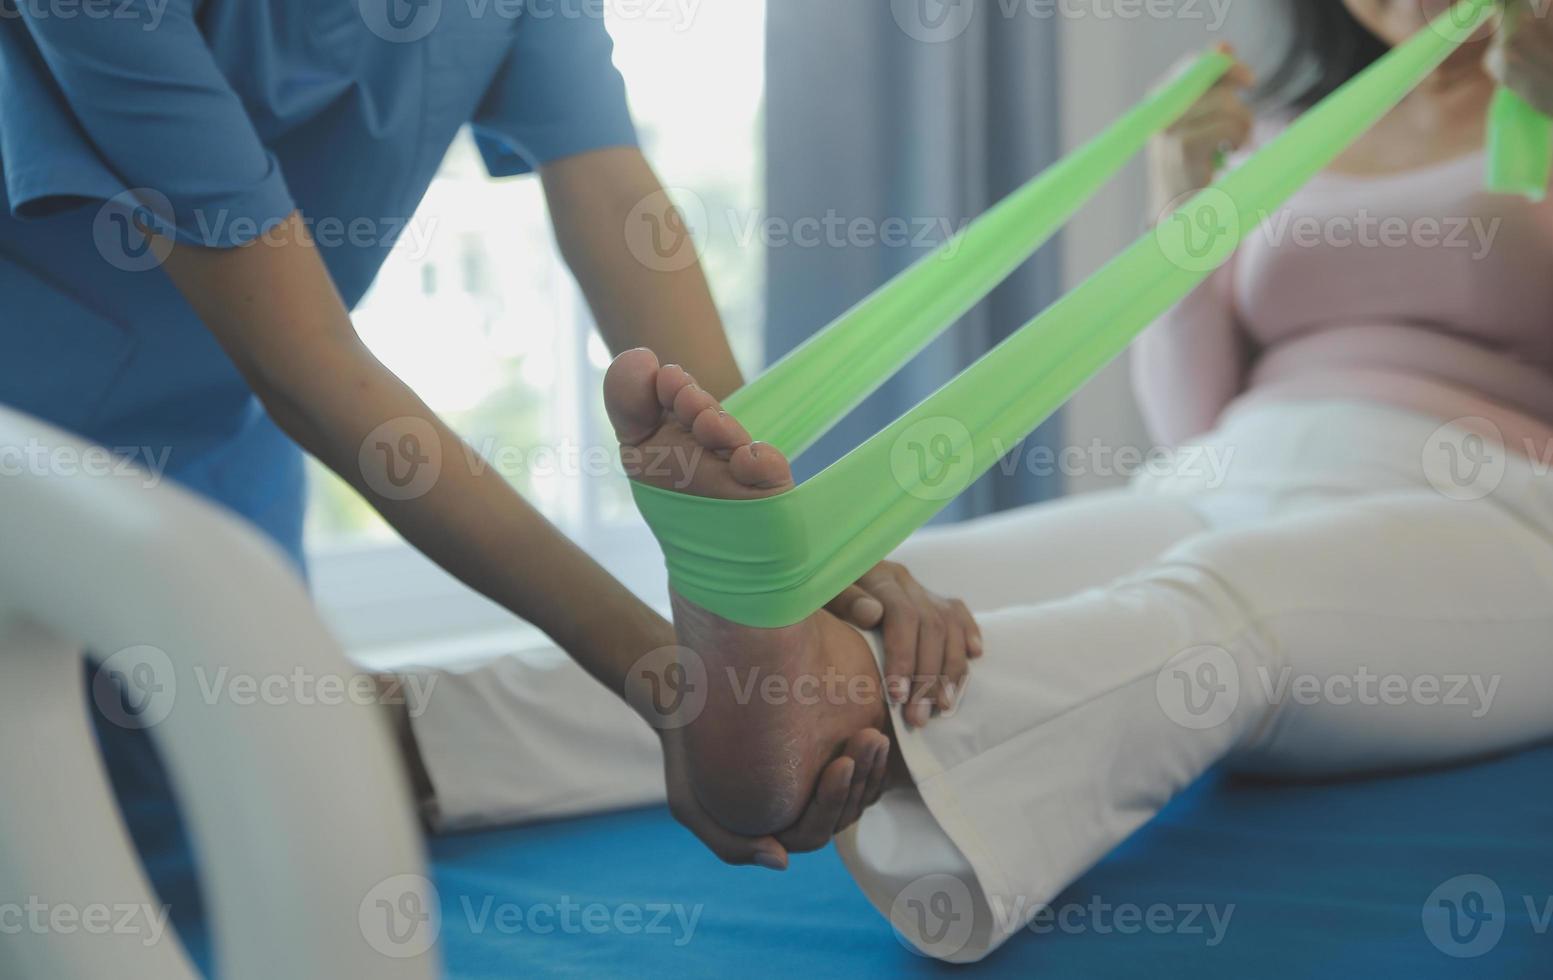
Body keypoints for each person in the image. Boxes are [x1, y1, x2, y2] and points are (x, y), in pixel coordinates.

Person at [483, 0, 1551, 962]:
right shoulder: (1284, 131)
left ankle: (809, 707)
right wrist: (1179, 210)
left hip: (1488, 503)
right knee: (907, 577)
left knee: (1225, 598)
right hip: (1230, 466)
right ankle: (418, 726)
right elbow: (1193, 415)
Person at [0, 0, 976, 873]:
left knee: (222, 839)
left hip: (214, 446)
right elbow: (308, 363)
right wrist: (665, 680)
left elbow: (618, 209)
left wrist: (802, 545)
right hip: (34, 433)